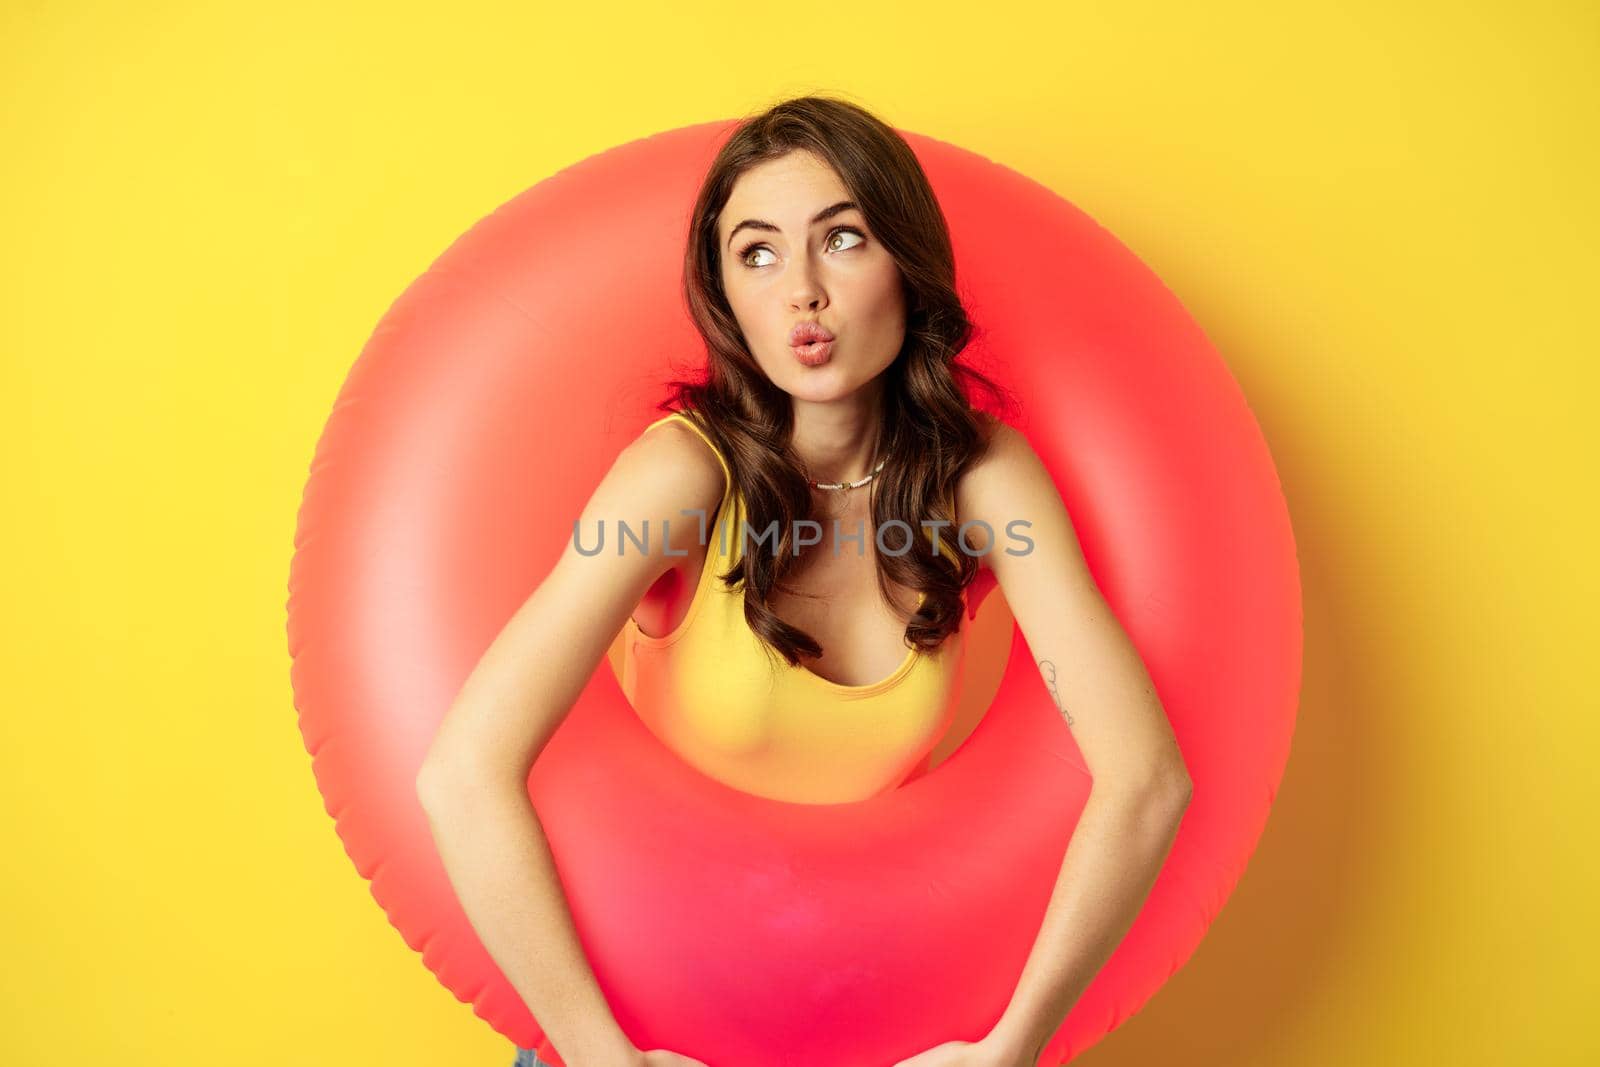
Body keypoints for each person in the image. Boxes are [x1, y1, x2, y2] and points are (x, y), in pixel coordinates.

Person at [417, 93, 1192, 1067]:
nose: (803, 292)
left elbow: (1147, 777)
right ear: (726, 293)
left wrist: (1011, 1048)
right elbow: (462, 772)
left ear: (906, 265)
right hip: (643, 1026)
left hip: (857, 1012)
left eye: (844, 240)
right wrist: (598, 1055)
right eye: (758, 252)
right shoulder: (682, 479)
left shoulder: (982, 481)